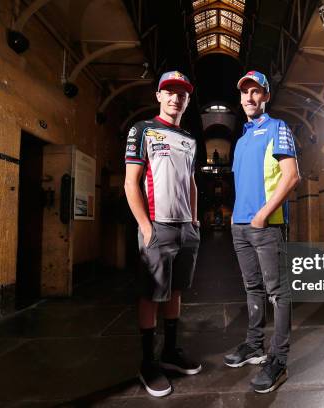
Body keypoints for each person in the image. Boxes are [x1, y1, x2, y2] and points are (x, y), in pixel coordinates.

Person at [124, 70, 201, 397]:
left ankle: (170, 352)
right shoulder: (142, 130)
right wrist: (145, 227)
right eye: (169, 91)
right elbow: (130, 182)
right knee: (150, 294)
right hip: (157, 226)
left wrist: (195, 221)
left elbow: (192, 183)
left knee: (176, 290)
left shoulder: (189, 139)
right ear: (158, 95)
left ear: (186, 99)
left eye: (181, 93)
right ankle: (147, 361)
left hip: (185, 229)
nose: (175, 97)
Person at [223, 70, 300, 393]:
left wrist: (263, 215)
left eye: (256, 92)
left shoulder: (277, 128)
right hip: (240, 226)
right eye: (245, 92)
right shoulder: (240, 140)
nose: (250, 98)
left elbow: (292, 176)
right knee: (252, 288)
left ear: (266, 96)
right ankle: (254, 345)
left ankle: (278, 359)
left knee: (278, 293)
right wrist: (235, 218)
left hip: (266, 226)